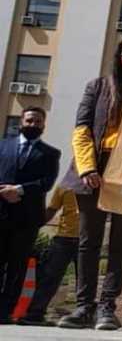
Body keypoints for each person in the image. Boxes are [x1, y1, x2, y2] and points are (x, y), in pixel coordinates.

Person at [58, 34, 122, 331]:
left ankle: (107, 308)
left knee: (120, 244)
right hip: (94, 169)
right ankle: (83, 307)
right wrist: (87, 168)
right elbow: (81, 129)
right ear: (118, 55)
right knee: (89, 242)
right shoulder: (98, 86)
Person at [0, 107, 61, 324]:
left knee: (16, 267)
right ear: (21, 121)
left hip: (27, 219)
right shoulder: (2, 146)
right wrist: (4, 191)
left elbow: (47, 182)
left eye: (38, 122)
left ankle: (5, 311)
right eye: (29, 120)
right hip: (1, 213)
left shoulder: (50, 153)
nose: (33, 125)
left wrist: (18, 190)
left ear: (43, 125)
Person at [18, 186, 79, 326]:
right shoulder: (64, 187)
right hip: (64, 237)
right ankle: (34, 314)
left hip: (88, 240)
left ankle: (84, 315)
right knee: (49, 276)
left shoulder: (98, 186)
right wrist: (34, 226)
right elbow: (52, 210)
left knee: (85, 281)